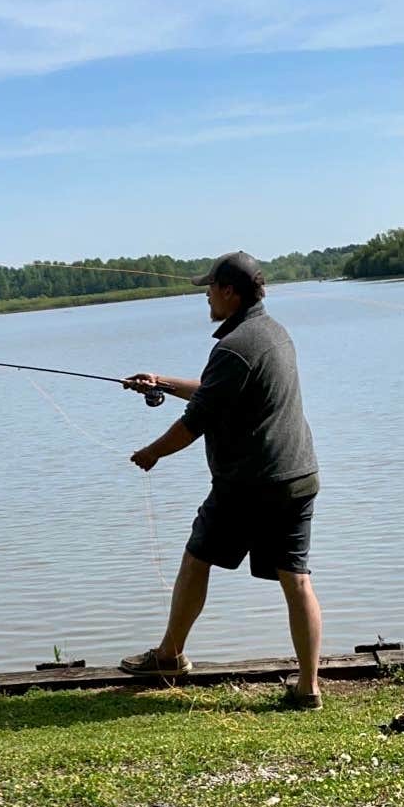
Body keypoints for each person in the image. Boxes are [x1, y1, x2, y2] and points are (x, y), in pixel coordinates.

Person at [119, 250, 324, 709]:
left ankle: (169, 656)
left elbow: (196, 422)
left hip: (249, 483)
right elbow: (219, 392)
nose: (206, 296)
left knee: (196, 559)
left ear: (230, 292)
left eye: (209, 288)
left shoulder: (234, 347)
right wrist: (162, 382)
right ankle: (308, 689)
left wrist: (151, 453)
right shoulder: (272, 333)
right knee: (296, 578)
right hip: (298, 474)